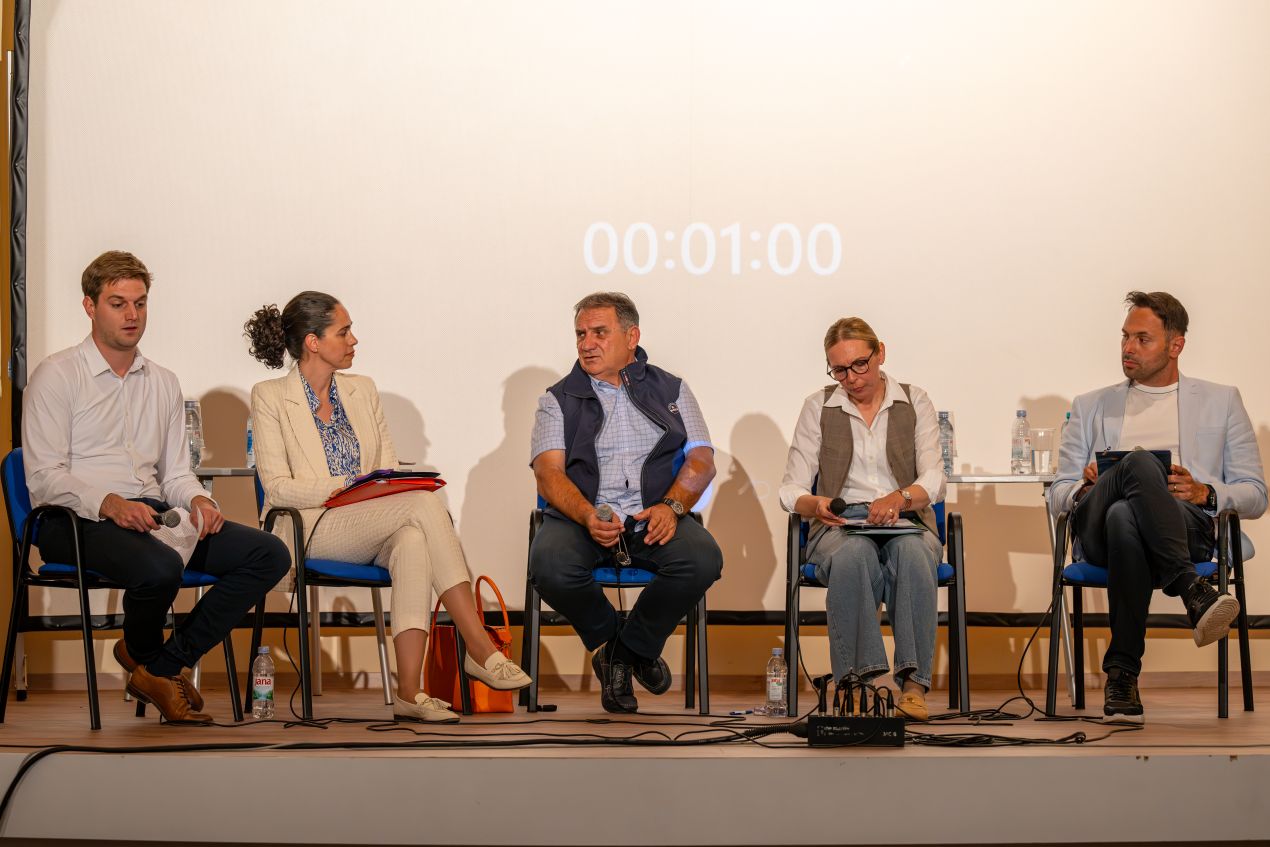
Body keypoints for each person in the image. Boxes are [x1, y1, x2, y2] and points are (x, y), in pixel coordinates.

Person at [23, 251, 291, 724]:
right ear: (90, 306)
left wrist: (199, 499)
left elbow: (174, 474)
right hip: (73, 519)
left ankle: (161, 666)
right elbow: (43, 476)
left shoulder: (163, 382)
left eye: (140, 303)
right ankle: (151, 661)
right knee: (160, 567)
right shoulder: (57, 374)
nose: (132, 315)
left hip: (149, 514)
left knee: (268, 554)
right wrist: (109, 503)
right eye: (118, 304)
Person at [245, 291, 529, 723]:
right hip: (309, 527)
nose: (354, 339)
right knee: (423, 504)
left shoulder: (362, 390)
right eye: (344, 332)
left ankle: (410, 692)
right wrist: (347, 484)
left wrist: (381, 485)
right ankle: (478, 645)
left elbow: (387, 467)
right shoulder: (269, 396)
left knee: (413, 539)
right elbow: (279, 489)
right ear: (313, 342)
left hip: (368, 521)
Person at [1050, 291, 1266, 724]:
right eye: (1125, 337)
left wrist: (1204, 492)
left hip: (1184, 527)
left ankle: (1122, 675)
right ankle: (1192, 590)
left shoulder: (1222, 400)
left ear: (1176, 344)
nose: (1128, 348)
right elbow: (1057, 493)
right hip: (1098, 531)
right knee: (1133, 468)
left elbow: (1256, 494)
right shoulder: (1091, 405)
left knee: (1124, 515)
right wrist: (1086, 486)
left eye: (1142, 339)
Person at [528, 292, 722, 713]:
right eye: (580, 334)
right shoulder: (556, 399)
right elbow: (548, 473)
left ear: (631, 336)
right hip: (582, 516)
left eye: (599, 332)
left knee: (702, 558)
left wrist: (671, 508)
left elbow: (702, 461)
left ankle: (624, 652)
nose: (586, 344)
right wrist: (586, 514)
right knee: (550, 565)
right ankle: (621, 642)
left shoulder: (672, 389)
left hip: (654, 513)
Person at [779, 317, 945, 721]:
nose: (851, 378)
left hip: (905, 517)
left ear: (880, 353)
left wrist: (899, 498)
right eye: (839, 370)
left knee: (912, 555)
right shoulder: (818, 406)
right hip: (841, 522)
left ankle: (913, 687)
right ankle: (855, 684)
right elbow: (790, 488)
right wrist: (814, 504)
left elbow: (934, 480)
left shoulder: (915, 401)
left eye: (859, 364)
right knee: (855, 556)